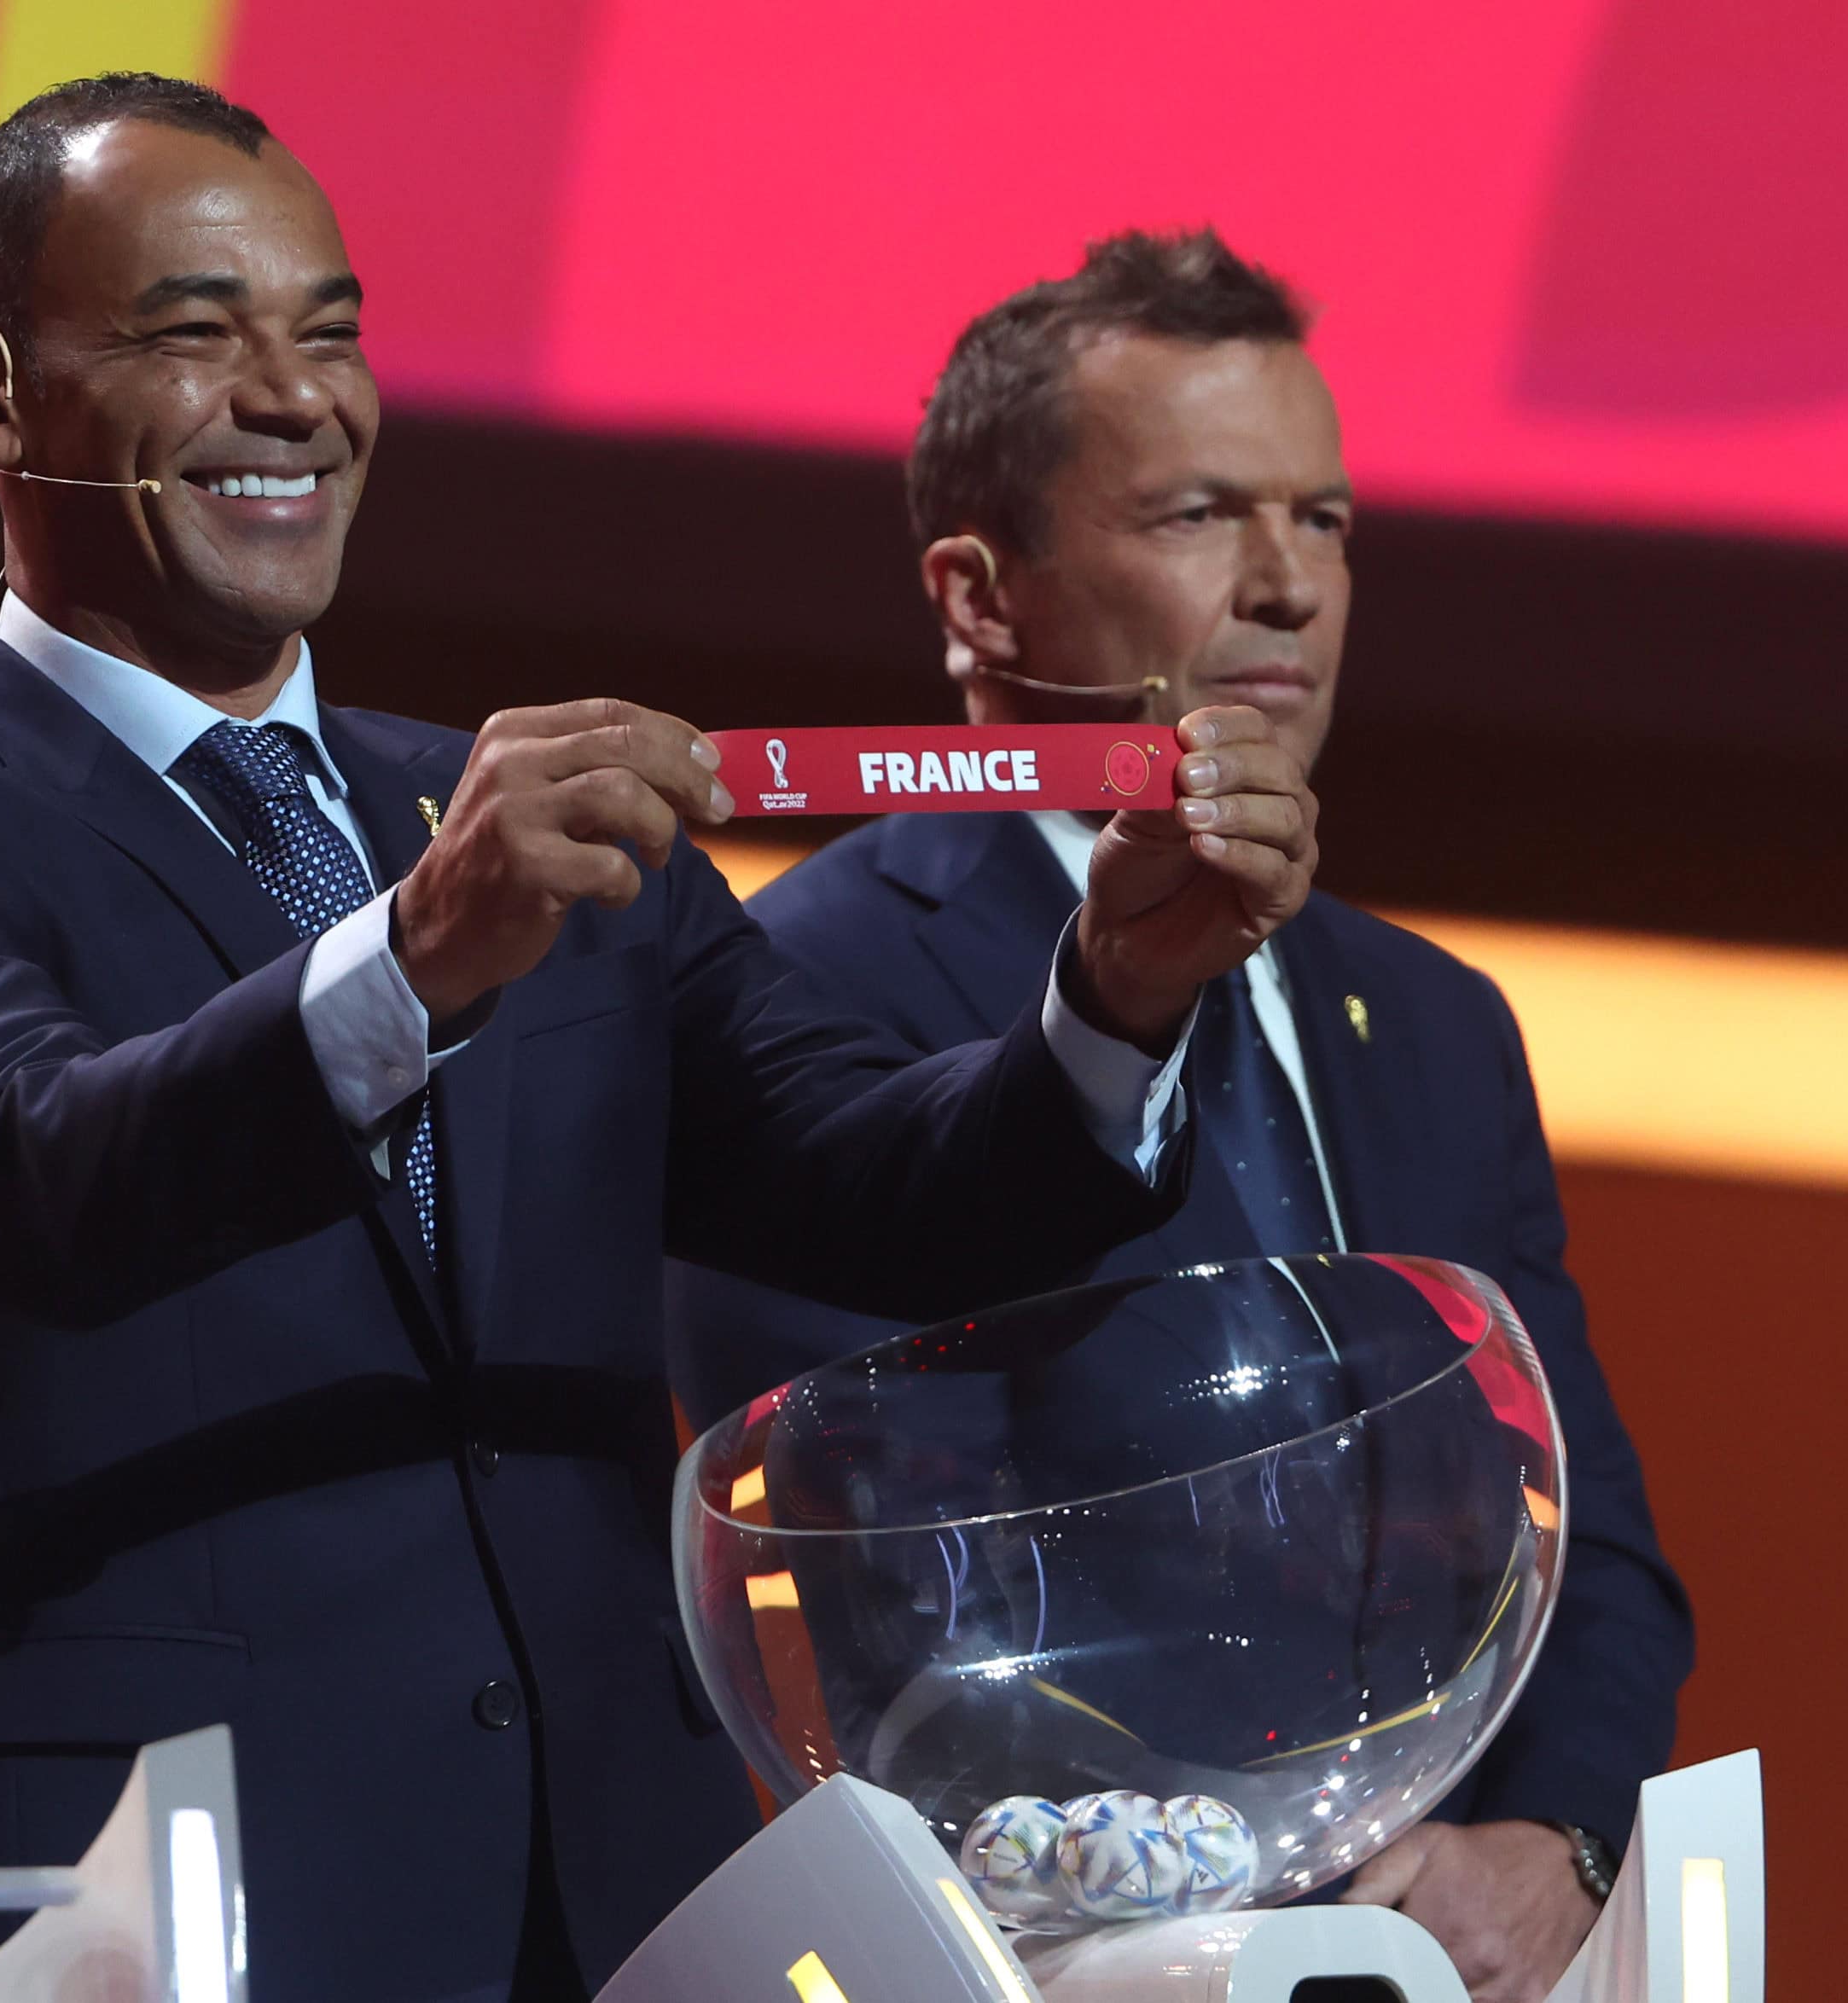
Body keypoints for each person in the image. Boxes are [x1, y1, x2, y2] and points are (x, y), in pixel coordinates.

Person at [0, 80, 1323, 2003]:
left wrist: (1117, 994)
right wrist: (412, 959)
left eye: (329, 332)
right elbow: (28, 1183)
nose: (295, 396)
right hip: (167, 1896)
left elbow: (880, 1190)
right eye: (193, 332)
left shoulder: (497, 809)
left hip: (617, 1895)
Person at [664, 230, 1694, 2003]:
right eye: (1204, 514)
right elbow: (863, 1583)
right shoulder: (804, 982)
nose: (1289, 584)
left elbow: (1585, 1532)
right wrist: (1234, 1900)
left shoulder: (1437, 1022)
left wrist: (1560, 1846)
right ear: (983, 597)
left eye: (1326, 519)